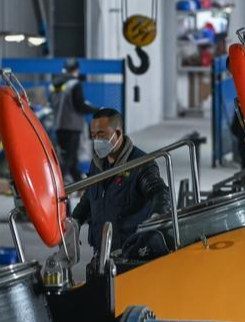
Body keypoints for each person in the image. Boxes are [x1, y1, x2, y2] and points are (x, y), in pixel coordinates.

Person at [72, 108, 172, 255]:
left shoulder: (140, 164)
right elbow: (90, 196)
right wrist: (75, 220)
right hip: (101, 250)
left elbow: (159, 191)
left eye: (101, 134)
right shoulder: (97, 163)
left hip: (130, 252)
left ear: (118, 133)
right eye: (93, 135)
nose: (96, 140)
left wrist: (157, 216)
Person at [52, 58, 98, 183]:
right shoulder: (74, 84)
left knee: (70, 159)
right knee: (69, 159)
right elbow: (79, 106)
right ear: (76, 70)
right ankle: (56, 184)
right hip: (72, 127)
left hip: (59, 126)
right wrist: (96, 109)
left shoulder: (57, 84)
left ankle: (81, 185)